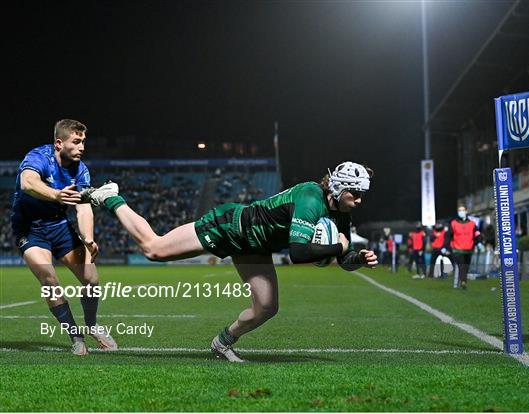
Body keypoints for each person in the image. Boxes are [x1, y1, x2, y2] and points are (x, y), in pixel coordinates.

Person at [81, 161, 378, 362]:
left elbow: (341, 256)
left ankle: (221, 343)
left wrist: (358, 258)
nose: (361, 200)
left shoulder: (341, 213)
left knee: (267, 307)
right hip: (232, 226)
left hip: (255, 246)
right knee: (154, 250)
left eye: (363, 194)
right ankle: (110, 198)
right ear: (339, 187)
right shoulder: (311, 198)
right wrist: (337, 246)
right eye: (357, 193)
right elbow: (299, 253)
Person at [10, 119, 117, 355]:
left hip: (60, 227)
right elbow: (27, 182)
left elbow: (84, 206)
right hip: (30, 229)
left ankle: (92, 325)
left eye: (83, 142)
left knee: (92, 280)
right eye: (76, 142)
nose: (82, 147)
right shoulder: (39, 156)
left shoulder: (81, 170)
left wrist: (88, 238)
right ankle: (76, 337)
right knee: (49, 280)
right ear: (59, 143)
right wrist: (55, 194)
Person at [443, 205, 481, 289]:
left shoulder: (472, 224)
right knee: (461, 265)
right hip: (457, 249)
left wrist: (478, 243)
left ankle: (462, 281)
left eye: (463, 210)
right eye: (459, 210)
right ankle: (463, 281)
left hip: (469, 249)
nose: (461, 212)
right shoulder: (453, 223)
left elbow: (477, 234)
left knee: (466, 266)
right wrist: (445, 247)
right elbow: (448, 236)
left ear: (466, 211)